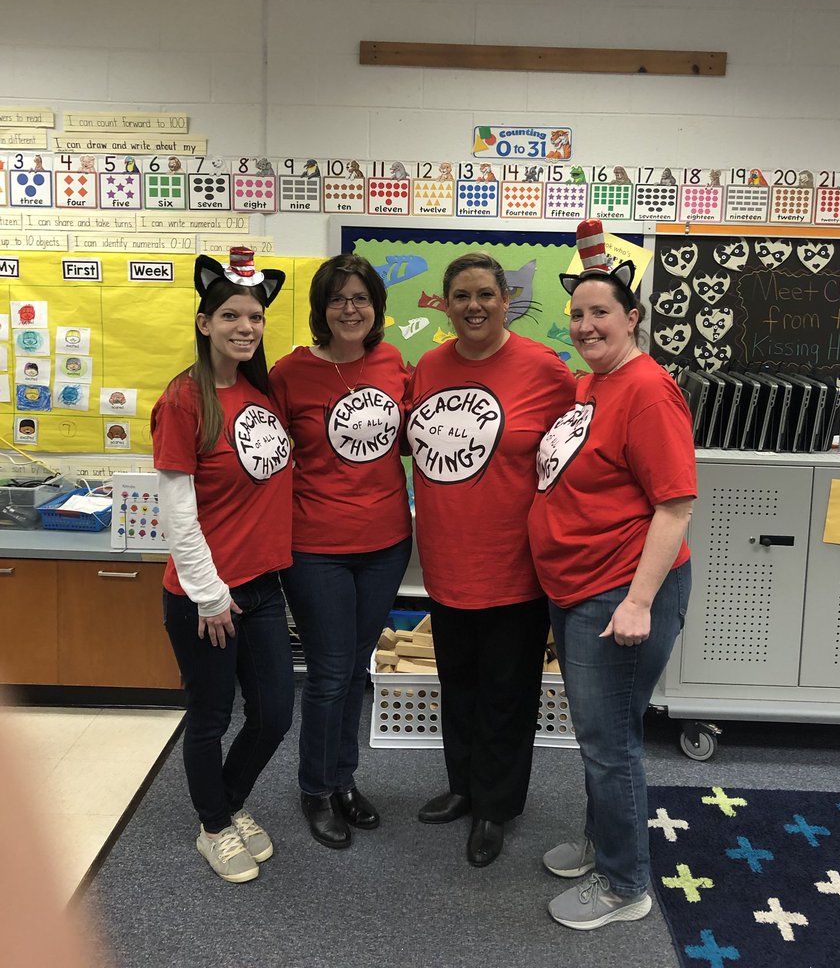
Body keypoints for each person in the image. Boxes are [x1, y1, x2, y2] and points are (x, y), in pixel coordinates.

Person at [527, 221, 696, 931]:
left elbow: (675, 504)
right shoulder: (593, 383)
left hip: (618, 592)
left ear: (633, 317)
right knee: (601, 734)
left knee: (609, 744)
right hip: (577, 587)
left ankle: (626, 885)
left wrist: (638, 601)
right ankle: (603, 843)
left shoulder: (647, 390)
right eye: (577, 313)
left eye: (601, 312)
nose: (586, 325)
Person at [408, 252, 576, 867]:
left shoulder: (545, 369)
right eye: (461, 296)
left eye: (485, 294)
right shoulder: (429, 366)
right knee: (458, 685)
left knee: (507, 692)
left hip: (514, 564)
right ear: (446, 305)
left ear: (507, 300)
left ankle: (495, 807)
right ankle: (463, 786)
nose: (473, 306)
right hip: (446, 560)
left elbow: (576, 452)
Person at [152, 247, 294, 883]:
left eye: (255, 316)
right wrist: (209, 594)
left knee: (274, 714)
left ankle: (228, 803)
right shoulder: (185, 398)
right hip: (206, 596)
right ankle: (214, 826)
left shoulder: (260, 392)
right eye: (231, 315)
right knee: (211, 717)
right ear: (204, 322)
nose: (245, 326)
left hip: (262, 587)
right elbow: (178, 511)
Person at [269, 254, 412, 850]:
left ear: (376, 306)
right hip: (316, 546)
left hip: (386, 543)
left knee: (356, 668)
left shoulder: (393, 363)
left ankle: (344, 779)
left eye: (360, 298)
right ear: (320, 309)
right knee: (329, 672)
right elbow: (264, 457)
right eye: (337, 299)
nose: (350, 309)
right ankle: (316, 788)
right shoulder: (289, 373)